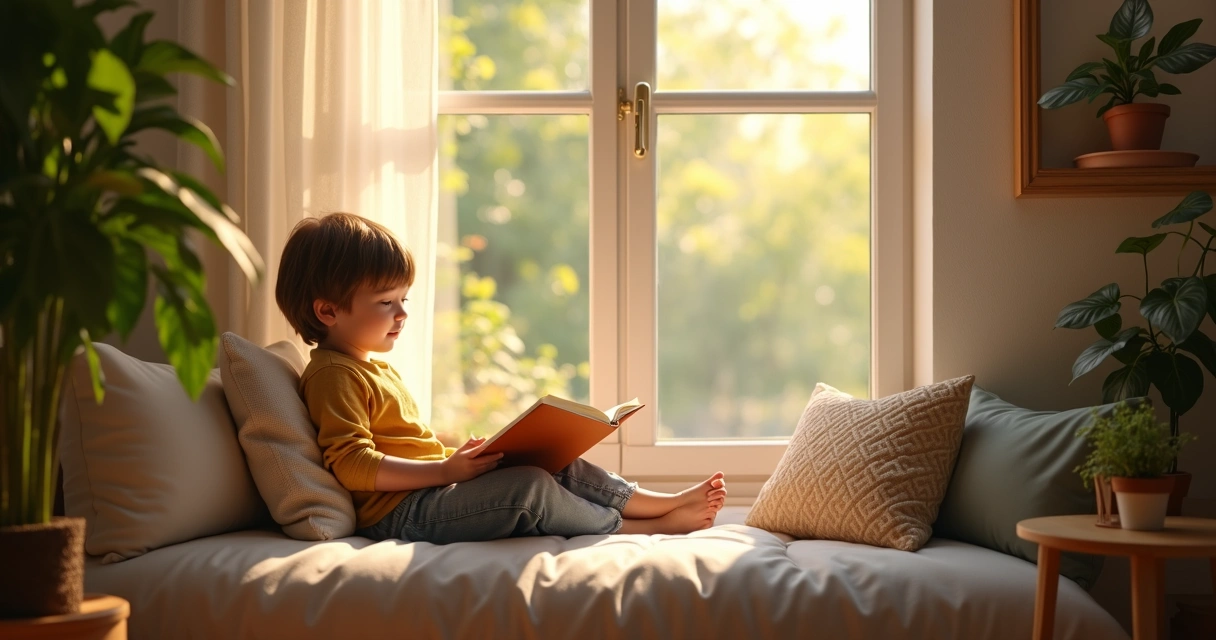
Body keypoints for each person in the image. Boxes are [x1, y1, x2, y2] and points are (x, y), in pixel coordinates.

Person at [274, 212, 727, 543]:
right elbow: (352, 464)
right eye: (385, 302)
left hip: (428, 491)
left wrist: (460, 457)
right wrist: (444, 470)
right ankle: (647, 524)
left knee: (551, 460)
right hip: (400, 515)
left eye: (404, 299)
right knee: (528, 488)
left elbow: (403, 443)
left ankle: (660, 502)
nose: (402, 314)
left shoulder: (370, 366)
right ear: (328, 310)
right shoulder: (332, 375)